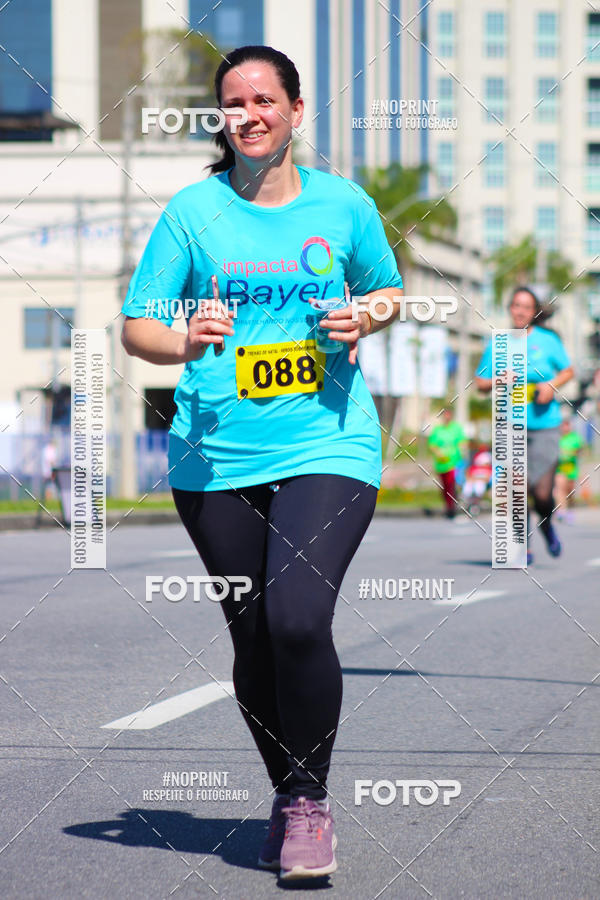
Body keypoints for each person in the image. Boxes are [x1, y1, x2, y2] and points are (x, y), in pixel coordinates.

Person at [120, 45, 403, 880]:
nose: (250, 113)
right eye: (234, 102)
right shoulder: (193, 212)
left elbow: (386, 290)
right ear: (222, 117)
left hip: (329, 441)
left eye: (265, 99)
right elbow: (137, 325)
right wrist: (183, 338)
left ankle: (312, 804)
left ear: (296, 110)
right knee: (252, 639)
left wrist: (364, 316)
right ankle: (287, 794)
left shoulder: (344, 206)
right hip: (214, 458)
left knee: (296, 620)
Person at [475, 286, 574, 565]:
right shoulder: (498, 343)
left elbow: (568, 370)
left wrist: (551, 385)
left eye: (526, 307)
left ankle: (548, 527)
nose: (520, 311)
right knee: (516, 488)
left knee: (542, 493)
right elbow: (480, 382)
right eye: (516, 305)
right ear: (510, 309)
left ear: (534, 312)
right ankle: (524, 547)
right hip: (510, 425)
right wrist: (498, 380)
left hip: (545, 424)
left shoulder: (548, 341)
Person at [427, 408, 467, 518]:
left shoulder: (456, 428)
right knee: (444, 487)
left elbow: (462, 442)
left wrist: (463, 454)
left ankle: (451, 508)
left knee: (451, 485)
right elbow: (432, 444)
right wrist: (438, 453)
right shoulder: (438, 430)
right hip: (441, 463)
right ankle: (448, 505)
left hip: (453, 462)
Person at [555, 419, 584, 523]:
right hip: (560, 468)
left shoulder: (574, 437)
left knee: (570, 492)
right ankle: (561, 511)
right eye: (563, 426)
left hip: (572, 468)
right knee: (560, 489)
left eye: (567, 426)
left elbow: (580, 450)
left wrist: (572, 452)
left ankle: (570, 511)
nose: (565, 428)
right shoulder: (557, 437)